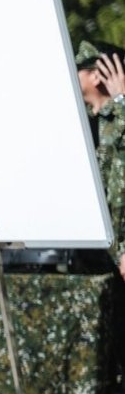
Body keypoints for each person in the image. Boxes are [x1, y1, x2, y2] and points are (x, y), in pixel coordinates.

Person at [76, 41, 125, 280]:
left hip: (119, 252)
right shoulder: (80, 121)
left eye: (78, 67)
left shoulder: (118, 120)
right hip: (89, 256)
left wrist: (121, 101)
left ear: (96, 75)